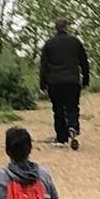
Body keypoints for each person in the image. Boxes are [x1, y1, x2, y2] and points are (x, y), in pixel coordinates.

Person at [38, 18, 90, 150]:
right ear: (66, 28)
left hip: (54, 82)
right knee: (72, 106)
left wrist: (42, 85)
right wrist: (85, 80)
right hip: (72, 81)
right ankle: (73, 126)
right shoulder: (75, 42)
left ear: (55, 28)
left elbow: (43, 66)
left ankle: (61, 138)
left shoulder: (49, 44)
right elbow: (84, 62)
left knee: (58, 109)